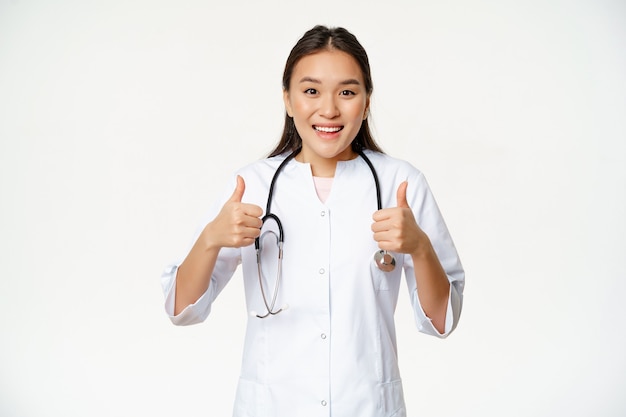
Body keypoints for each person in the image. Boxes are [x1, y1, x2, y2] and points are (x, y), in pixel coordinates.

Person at [161, 25, 464, 417]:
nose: (329, 109)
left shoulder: (401, 183)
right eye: (311, 91)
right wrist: (210, 240)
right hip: (271, 406)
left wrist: (420, 248)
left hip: (366, 405)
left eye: (347, 92)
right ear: (287, 99)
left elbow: (442, 321)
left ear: (367, 101)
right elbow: (181, 309)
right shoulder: (252, 185)